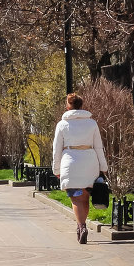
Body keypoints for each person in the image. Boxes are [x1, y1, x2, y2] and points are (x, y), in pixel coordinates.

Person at [52, 93, 108, 244]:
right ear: (81, 105)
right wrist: (103, 167)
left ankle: (81, 226)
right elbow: (98, 146)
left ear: (68, 106)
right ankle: (83, 225)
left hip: (70, 162)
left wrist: (56, 169)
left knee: (75, 198)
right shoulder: (92, 123)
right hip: (90, 161)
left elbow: (56, 149)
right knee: (85, 197)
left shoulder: (62, 124)